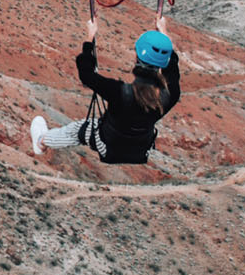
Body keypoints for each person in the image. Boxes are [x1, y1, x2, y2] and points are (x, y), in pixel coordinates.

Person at [30, 15, 180, 164]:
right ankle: (42, 142)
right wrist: (164, 34)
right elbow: (172, 70)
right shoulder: (170, 95)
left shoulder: (120, 92)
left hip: (109, 147)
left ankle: (41, 142)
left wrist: (90, 36)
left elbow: (86, 75)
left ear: (137, 57)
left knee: (77, 129)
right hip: (140, 150)